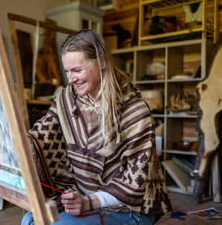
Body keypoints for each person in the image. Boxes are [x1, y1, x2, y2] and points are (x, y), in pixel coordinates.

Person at [21, 29, 172, 225]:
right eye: (67, 71)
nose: (70, 79)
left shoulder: (135, 111)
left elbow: (135, 184)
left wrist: (87, 203)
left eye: (77, 70)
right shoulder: (66, 98)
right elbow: (40, 135)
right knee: (30, 220)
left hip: (131, 208)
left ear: (102, 62)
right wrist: (2, 135)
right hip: (86, 196)